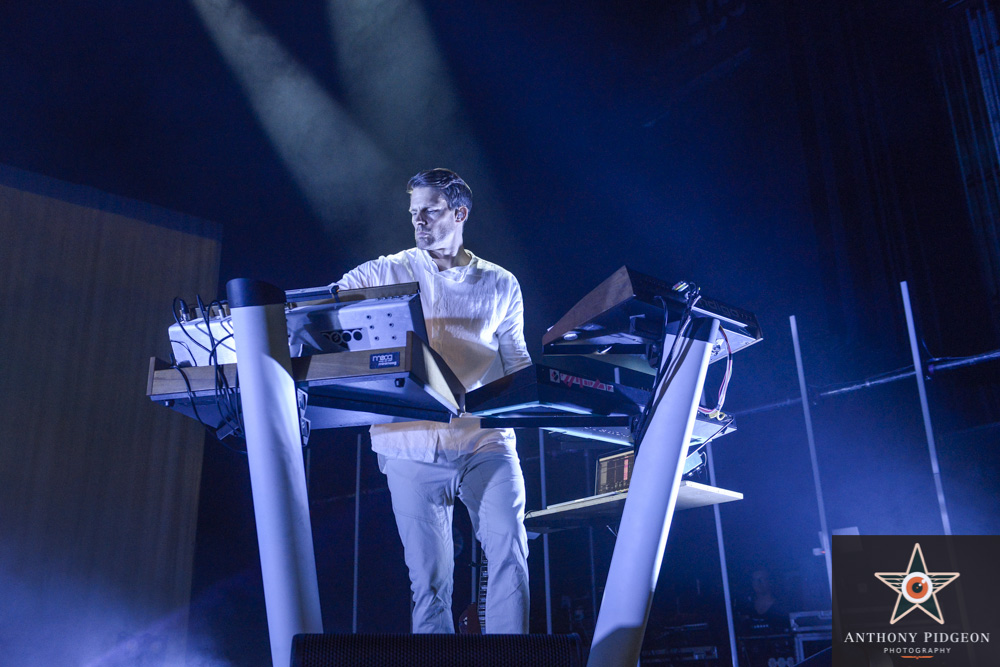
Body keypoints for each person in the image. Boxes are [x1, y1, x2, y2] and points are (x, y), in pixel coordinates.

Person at [333, 168, 532, 634]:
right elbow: (326, 307)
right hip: (407, 445)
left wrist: (511, 395)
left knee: (509, 550)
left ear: (459, 213)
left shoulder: (502, 283)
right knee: (430, 581)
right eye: (413, 213)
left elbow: (517, 361)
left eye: (431, 211)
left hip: (485, 440)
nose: (419, 220)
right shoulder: (386, 270)